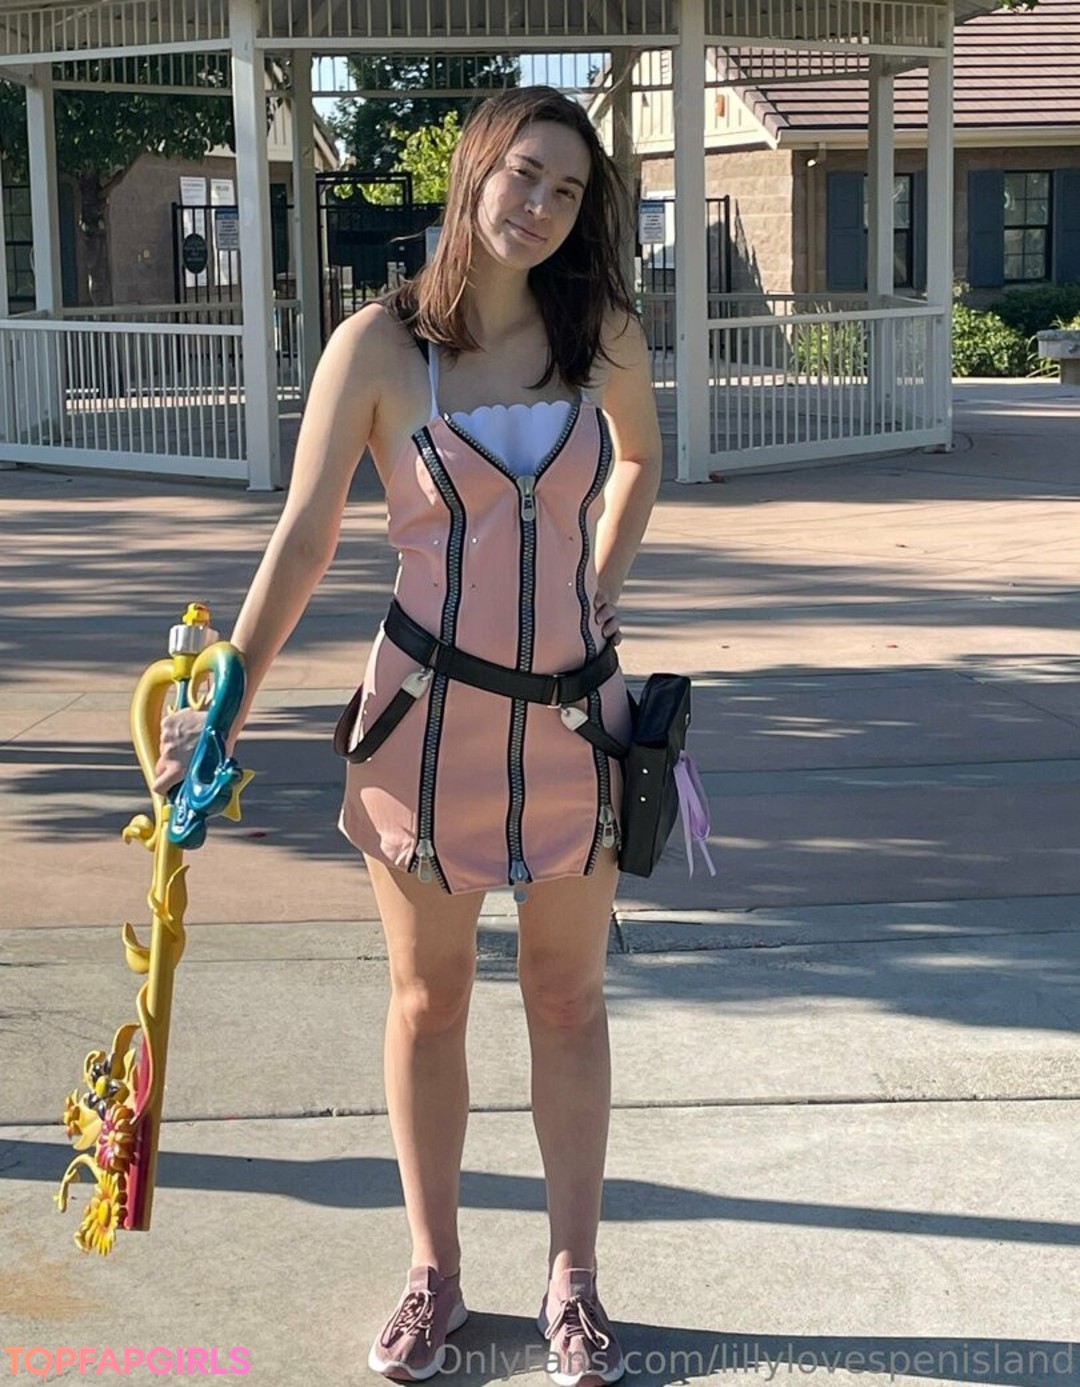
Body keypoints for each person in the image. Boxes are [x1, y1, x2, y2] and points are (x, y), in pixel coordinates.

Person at [155, 85, 662, 1386]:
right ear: (474, 168)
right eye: (525, 175)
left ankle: (574, 1281)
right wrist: (220, 715)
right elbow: (305, 537)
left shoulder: (601, 331)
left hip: (577, 728)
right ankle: (434, 1272)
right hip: (422, 730)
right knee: (431, 1002)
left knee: (567, 997)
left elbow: (639, 463)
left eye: (568, 191)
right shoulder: (377, 348)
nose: (541, 206)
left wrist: (600, 579)